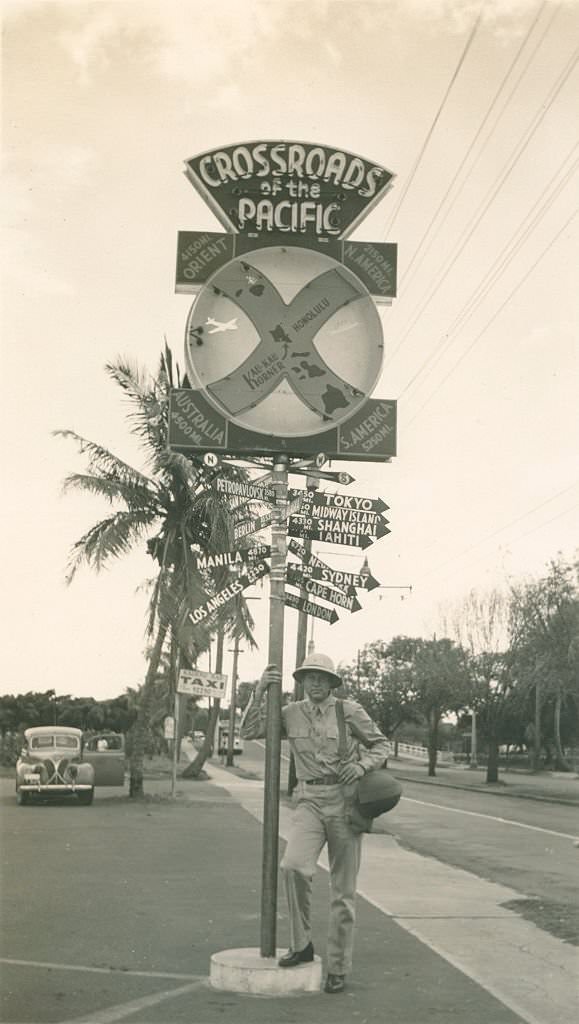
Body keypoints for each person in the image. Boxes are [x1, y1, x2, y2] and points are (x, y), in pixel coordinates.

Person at [241, 651, 389, 995]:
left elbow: (380, 745)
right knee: (293, 866)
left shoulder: (348, 710)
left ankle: (338, 967)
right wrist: (260, 690)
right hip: (307, 799)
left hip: (344, 800)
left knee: (343, 890)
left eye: (322, 677)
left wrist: (364, 765)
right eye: (310, 677)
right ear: (302, 681)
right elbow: (250, 731)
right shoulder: (291, 713)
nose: (316, 683)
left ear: (332, 682)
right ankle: (301, 944)